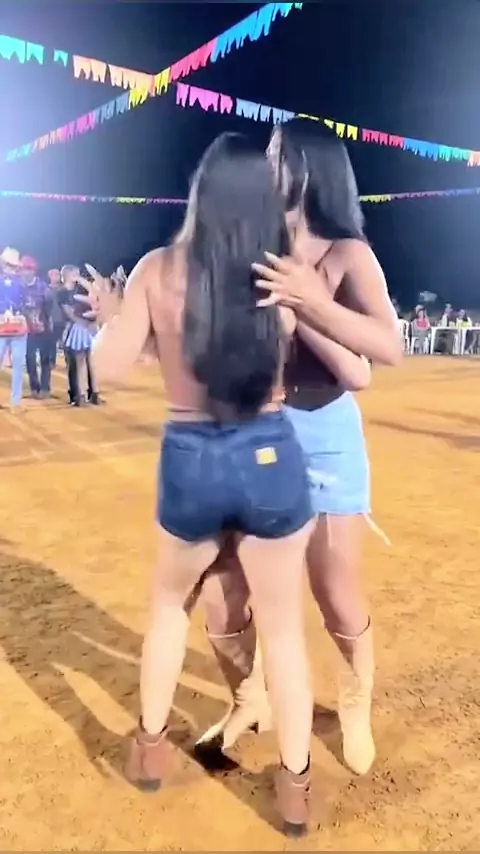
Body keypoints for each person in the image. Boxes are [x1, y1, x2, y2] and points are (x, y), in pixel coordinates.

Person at [80, 133, 318, 836]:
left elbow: (111, 367)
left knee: (168, 608)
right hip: (269, 452)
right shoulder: (282, 272)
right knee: (283, 631)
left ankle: (151, 751)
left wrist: (112, 316)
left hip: (192, 457)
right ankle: (296, 790)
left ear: (200, 191)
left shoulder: (158, 269)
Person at [197, 119, 402, 778]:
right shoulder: (249, 242)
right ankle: (247, 699)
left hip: (325, 436)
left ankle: (355, 702)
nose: (265, 161)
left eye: (277, 152)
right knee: (223, 587)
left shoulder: (346, 252)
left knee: (334, 589)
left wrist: (309, 306)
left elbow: (384, 350)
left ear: (308, 167)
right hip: (252, 433)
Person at [58, 265, 100, 406]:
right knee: (75, 363)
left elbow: (93, 297)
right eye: (75, 273)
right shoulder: (62, 293)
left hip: (85, 327)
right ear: (68, 274)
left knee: (90, 362)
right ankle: (77, 395)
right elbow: (68, 312)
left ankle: (92, 394)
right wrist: (83, 323)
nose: (78, 275)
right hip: (72, 328)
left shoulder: (80, 289)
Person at [0, 247, 28, 410]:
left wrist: (21, 312)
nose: (11, 268)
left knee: (18, 366)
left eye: (13, 266)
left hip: (18, 329)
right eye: (8, 265)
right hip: (2, 328)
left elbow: (28, 303)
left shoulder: (22, 284)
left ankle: (15, 402)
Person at [21, 256, 53, 398]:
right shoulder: (20, 287)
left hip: (43, 327)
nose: (25, 272)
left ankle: (45, 388)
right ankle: (34, 388)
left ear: (34, 271)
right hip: (27, 328)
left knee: (45, 358)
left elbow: (49, 306)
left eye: (28, 269)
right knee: (30, 358)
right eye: (23, 269)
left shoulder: (42, 287)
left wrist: (44, 321)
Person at [47, 268, 66, 367]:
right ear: (50, 276)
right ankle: (51, 361)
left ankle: (69, 361)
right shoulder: (47, 289)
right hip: (52, 320)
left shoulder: (64, 289)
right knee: (52, 342)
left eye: (59, 274)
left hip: (64, 319)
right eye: (56, 275)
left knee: (66, 342)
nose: (58, 276)